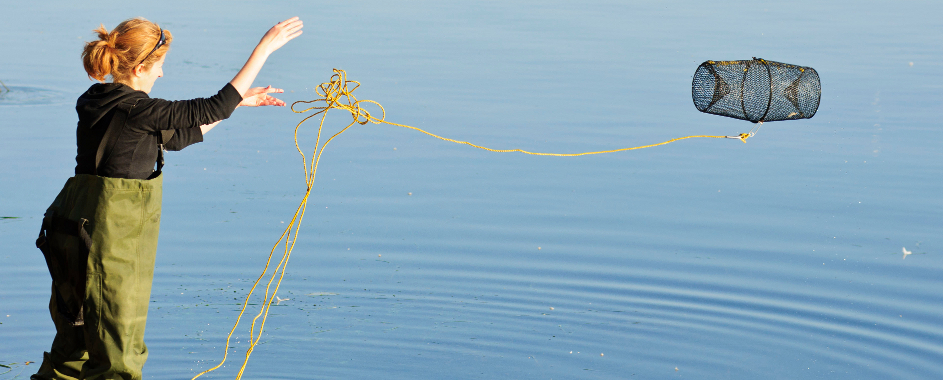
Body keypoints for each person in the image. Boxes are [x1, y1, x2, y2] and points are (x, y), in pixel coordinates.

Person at [32, 16, 303, 380]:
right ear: (141, 66)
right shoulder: (139, 109)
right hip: (108, 242)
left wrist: (236, 105)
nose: (161, 75)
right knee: (117, 353)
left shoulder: (96, 100)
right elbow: (211, 107)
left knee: (74, 346)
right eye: (159, 66)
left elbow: (176, 137)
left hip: (70, 234)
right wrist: (265, 47)